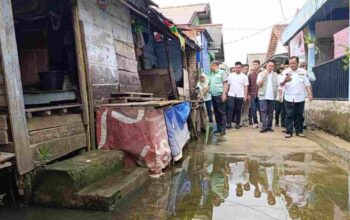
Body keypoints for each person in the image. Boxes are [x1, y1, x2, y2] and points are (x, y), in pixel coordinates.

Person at [279, 56, 313, 138]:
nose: (292, 65)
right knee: (289, 115)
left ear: (297, 63)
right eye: (290, 63)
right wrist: (285, 81)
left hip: (300, 97)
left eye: (293, 63)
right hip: (288, 97)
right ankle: (289, 132)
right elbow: (280, 85)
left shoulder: (303, 72)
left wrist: (310, 94)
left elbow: (307, 84)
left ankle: (299, 131)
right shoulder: (285, 72)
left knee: (299, 115)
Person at [256, 61, 279, 133]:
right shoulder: (261, 74)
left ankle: (269, 126)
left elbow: (279, 85)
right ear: (266, 66)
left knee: (271, 112)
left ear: (274, 67)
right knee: (263, 111)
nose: (270, 67)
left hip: (272, 96)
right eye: (269, 65)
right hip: (263, 96)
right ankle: (264, 127)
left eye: (272, 66)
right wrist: (265, 75)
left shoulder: (275, 75)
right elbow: (258, 84)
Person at [226, 62, 249, 129]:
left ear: (241, 68)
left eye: (239, 67)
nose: (238, 69)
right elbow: (228, 85)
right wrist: (226, 93)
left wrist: (245, 96)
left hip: (240, 95)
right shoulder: (230, 75)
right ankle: (229, 123)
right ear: (234, 68)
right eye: (236, 67)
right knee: (230, 109)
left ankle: (237, 123)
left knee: (238, 109)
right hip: (231, 95)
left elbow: (245, 87)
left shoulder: (244, 77)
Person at [208, 61, 228, 136]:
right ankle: (218, 128)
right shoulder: (212, 74)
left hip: (220, 95)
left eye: (211, 66)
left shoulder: (222, 73)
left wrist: (224, 94)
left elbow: (225, 83)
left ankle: (223, 130)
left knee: (222, 113)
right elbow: (209, 85)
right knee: (216, 113)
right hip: (213, 96)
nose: (210, 68)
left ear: (214, 65)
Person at [248, 60, 261, 129]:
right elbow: (249, 85)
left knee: (261, 109)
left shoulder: (262, 73)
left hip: (261, 95)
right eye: (254, 64)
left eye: (256, 64)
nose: (255, 66)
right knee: (253, 109)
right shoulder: (250, 75)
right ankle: (255, 122)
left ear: (259, 65)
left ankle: (262, 121)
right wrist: (249, 94)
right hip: (253, 94)